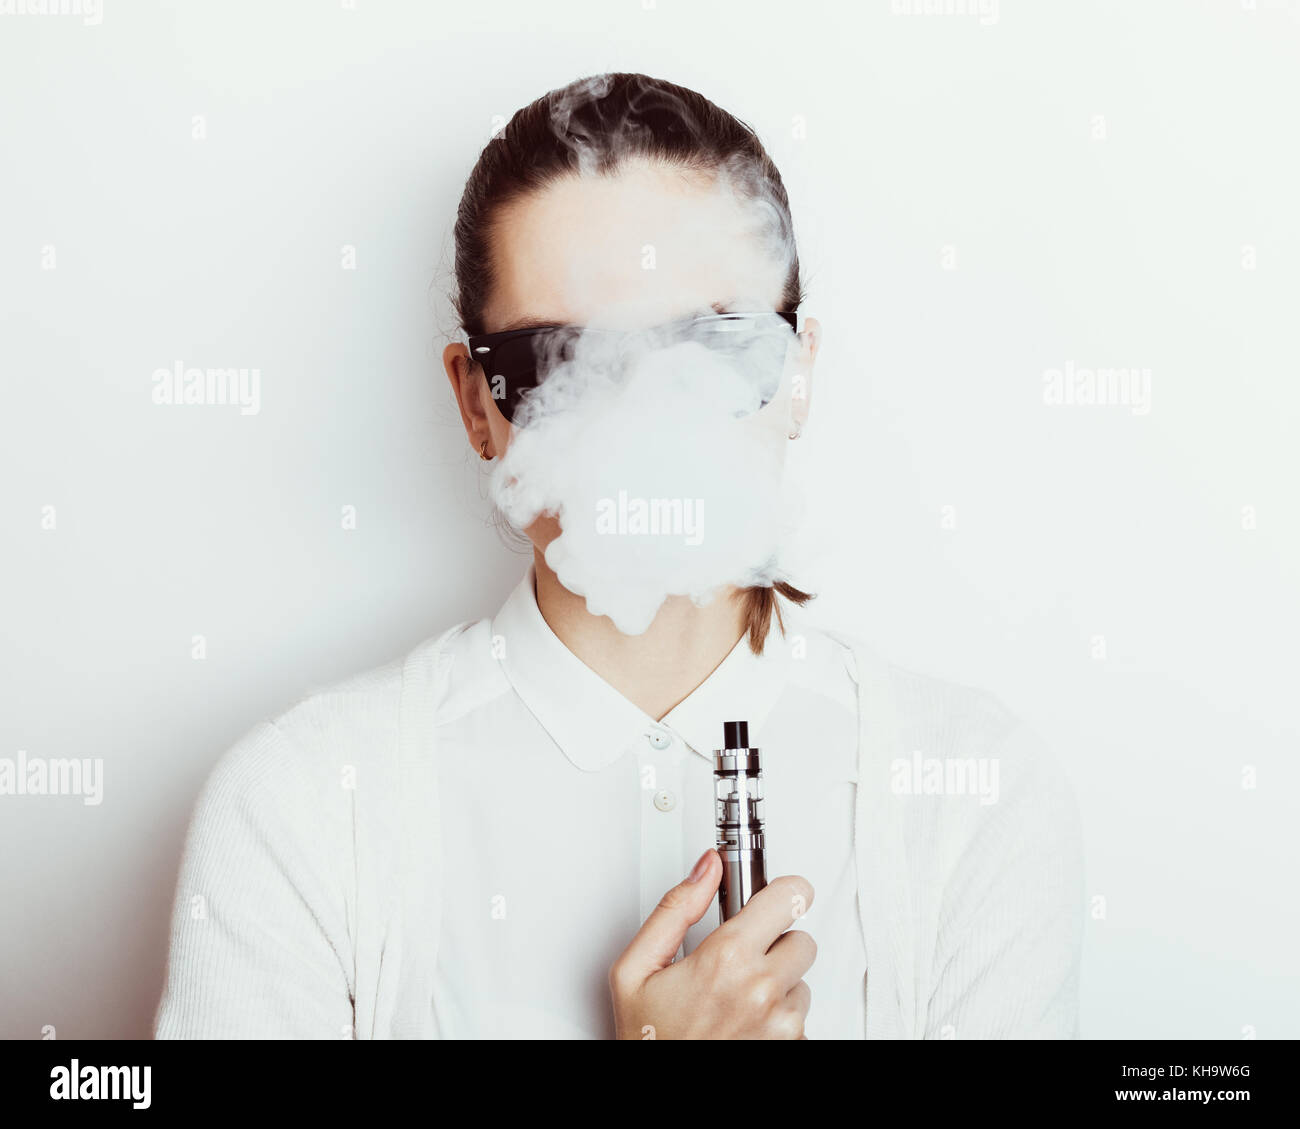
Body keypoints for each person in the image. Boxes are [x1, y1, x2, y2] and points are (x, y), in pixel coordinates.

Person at [154, 72, 1083, 1040]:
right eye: (560, 358)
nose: (645, 421)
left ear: (798, 372)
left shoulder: (976, 797)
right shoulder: (304, 809)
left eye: (713, 345)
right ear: (476, 403)